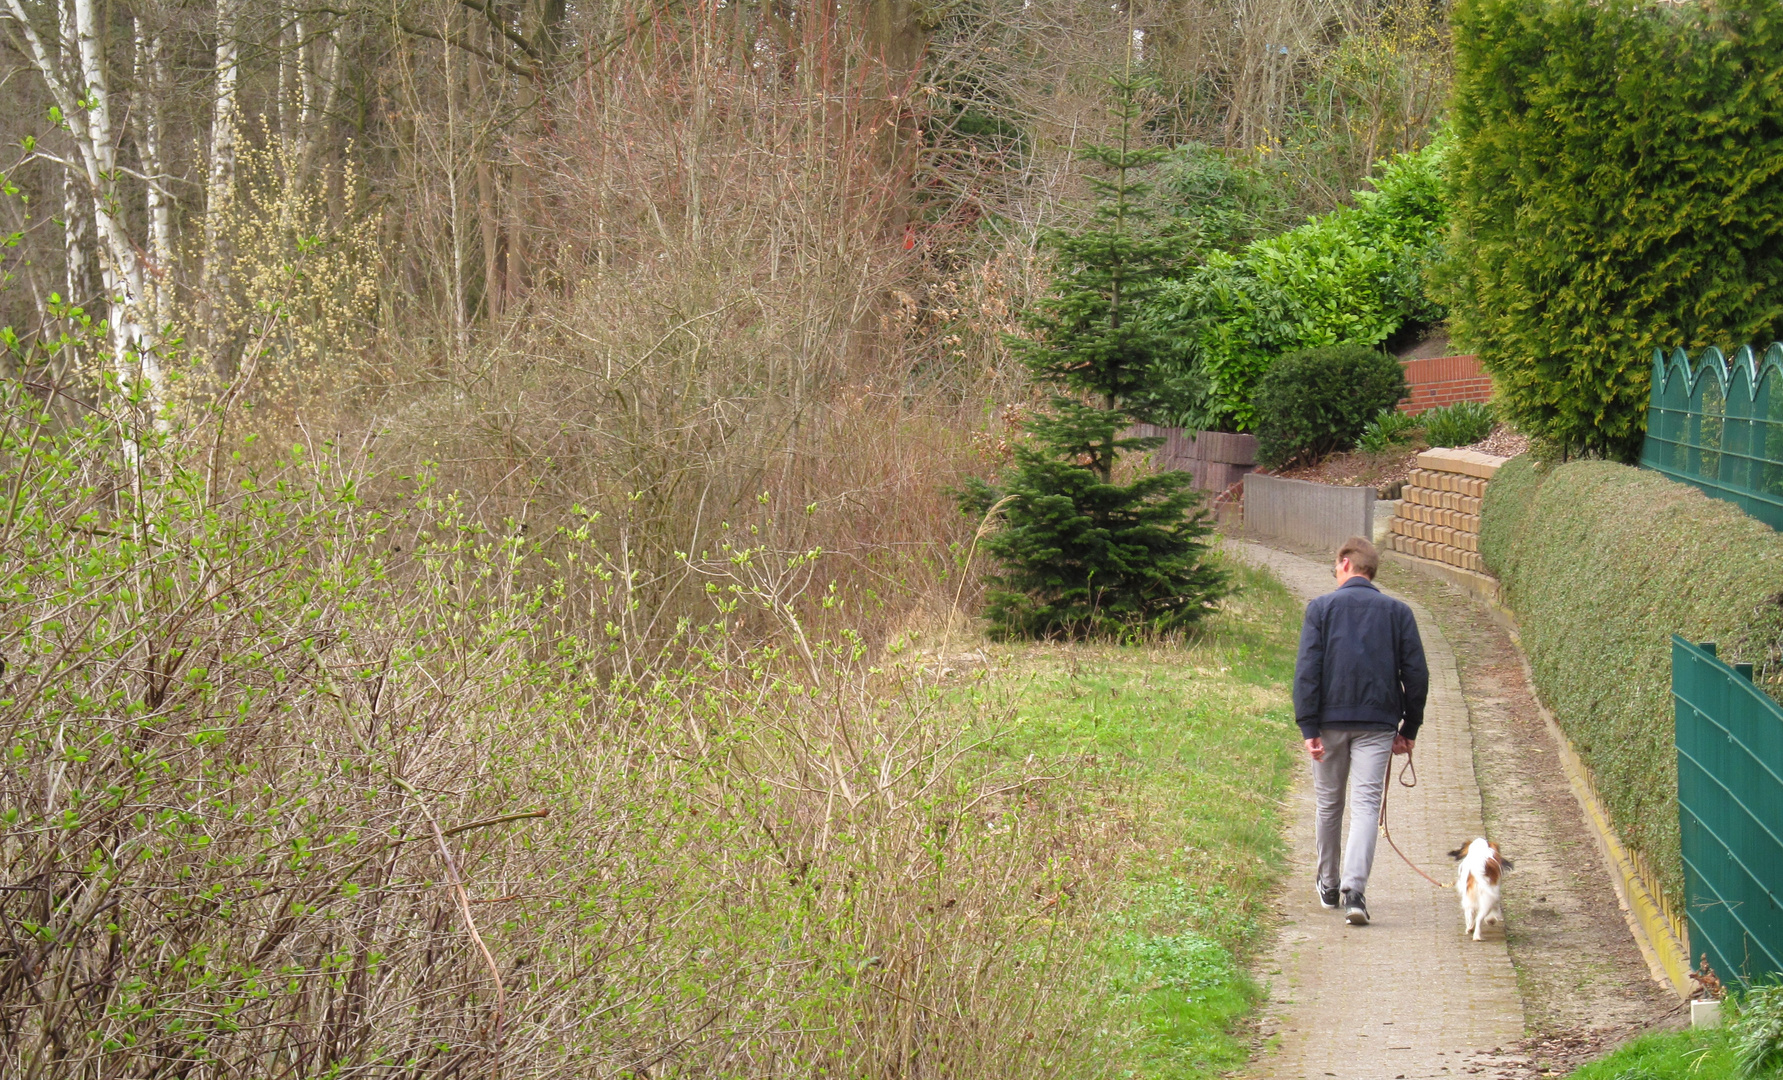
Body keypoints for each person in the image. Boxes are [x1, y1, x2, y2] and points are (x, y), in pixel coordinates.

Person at [1292, 535, 1429, 926]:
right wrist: (1410, 726)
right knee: (1367, 805)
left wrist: (1308, 725)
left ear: (1347, 564)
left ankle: (1328, 883)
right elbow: (1416, 675)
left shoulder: (1320, 609)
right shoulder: (1398, 612)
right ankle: (1355, 893)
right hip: (1378, 723)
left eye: (1336, 567)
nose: (1335, 573)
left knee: (1329, 803)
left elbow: (1307, 671)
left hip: (1329, 721)